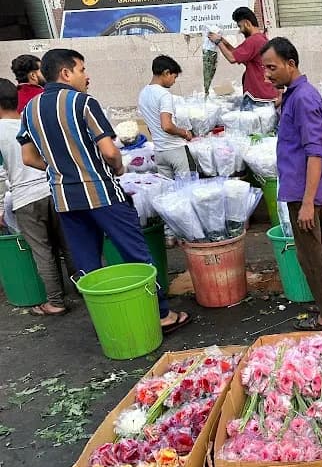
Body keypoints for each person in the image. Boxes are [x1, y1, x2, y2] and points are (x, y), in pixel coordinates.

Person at [17, 49, 190, 333]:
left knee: (88, 264)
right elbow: (110, 151)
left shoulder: (31, 110)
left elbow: (28, 158)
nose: (87, 76)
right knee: (135, 252)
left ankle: (107, 322)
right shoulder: (82, 102)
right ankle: (160, 315)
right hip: (101, 192)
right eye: (82, 69)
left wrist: (60, 168)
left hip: (64, 199)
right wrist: (118, 168)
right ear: (66, 73)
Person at [261, 37, 322, 330]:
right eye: (265, 69)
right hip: (302, 186)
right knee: (317, 249)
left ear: (291, 64)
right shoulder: (295, 96)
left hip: (304, 190)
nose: (267, 75)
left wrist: (308, 202)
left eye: (272, 68)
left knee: (309, 253)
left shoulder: (304, 97)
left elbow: (314, 151)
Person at [0, 78, 71, 315]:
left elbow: (1, 177)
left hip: (25, 199)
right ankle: (84, 287)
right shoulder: (31, 121)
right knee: (68, 243)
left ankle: (56, 302)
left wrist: (1, 208)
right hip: (53, 189)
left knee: (43, 251)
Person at [207, 7, 279, 109]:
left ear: (247, 23)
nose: (240, 31)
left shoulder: (253, 40)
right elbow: (239, 55)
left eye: (240, 26)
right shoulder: (261, 38)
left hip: (258, 97)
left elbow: (232, 58)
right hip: (265, 95)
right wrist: (224, 42)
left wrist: (218, 42)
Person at [138, 55, 195, 179]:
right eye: (174, 77)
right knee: (186, 190)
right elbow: (167, 126)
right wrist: (185, 133)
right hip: (175, 150)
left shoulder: (143, 94)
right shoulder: (164, 95)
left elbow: (150, 127)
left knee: (168, 191)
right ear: (166, 73)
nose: (174, 81)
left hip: (159, 152)